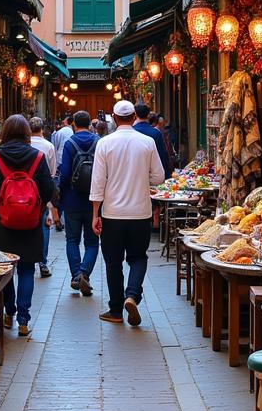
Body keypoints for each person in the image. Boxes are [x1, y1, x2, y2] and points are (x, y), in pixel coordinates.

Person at [0, 115, 58, 336]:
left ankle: (9, 312)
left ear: (4, 133)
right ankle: (24, 319)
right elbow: (49, 189)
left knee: (6, 270)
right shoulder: (38, 157)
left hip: (2, 223)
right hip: (31, 222)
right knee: (27, 269)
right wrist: (44, 206)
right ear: (26, 133)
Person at [91, 98, 164, 326]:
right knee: (138, 257)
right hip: (140, 213)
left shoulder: (104, 143)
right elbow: (159, 177)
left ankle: (115, 310)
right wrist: (143, 180)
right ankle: (132, 296)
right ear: (134, 117)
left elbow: (98, 182)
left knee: (113, 262)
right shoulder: (147, 142)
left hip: (112, 214)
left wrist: (96, 214)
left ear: (114, 118)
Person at [58, 110, 99, 296]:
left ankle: (76, 275)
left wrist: (62, 194)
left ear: (74, 124)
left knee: (72, 240)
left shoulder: (69, 144)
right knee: (92, 242)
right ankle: (84, 273)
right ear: (90, 124)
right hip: (94, 201)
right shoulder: (99, 142)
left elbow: (65, 174)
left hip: (72, 200)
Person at [28, 116, 58, 278]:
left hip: (24, 192)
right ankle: (43, 262)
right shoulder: (48, 146)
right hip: (41, 192)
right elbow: (52, 173)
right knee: (43, 226)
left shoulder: (25, 145)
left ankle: (25, 258)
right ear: (42, 129)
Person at [133, 101, 172, 178]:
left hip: (135, 174)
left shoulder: (132, 131)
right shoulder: (156, 133)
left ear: (135, 115)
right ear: (148, 115)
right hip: (152, 175)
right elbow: (162, 156)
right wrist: (166, 175)